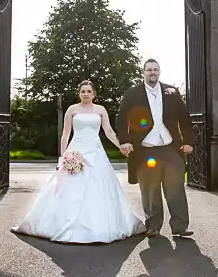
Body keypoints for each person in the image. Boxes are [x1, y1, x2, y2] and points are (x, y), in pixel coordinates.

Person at [11, 80, 145, 244]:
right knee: (70, 188)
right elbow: (65, 135)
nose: (86, 94)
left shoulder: (100, 110)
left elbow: (109, 131)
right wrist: (63, 157)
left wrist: (120, 146)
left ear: (94, 94)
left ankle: (98, 226)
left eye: (89, 91)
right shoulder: (72, 109)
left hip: (95, 152)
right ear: (79, 93)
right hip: (76, 151)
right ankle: (62, 224)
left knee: (99, 187)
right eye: (83, 91)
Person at [116, 59, 194, 238]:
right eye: (149, 70)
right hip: (145, 149)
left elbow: (184, 118)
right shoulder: (132, 93)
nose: (153, 73)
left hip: (170, 148)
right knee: (150, 190)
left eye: (156, 70)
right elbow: (122, 119)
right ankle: (153, 226)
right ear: (143, 72)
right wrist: (124, 141)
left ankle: (180, 226)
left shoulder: (172, 92)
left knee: (175, 188)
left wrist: (189, 141)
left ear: (160, 72)